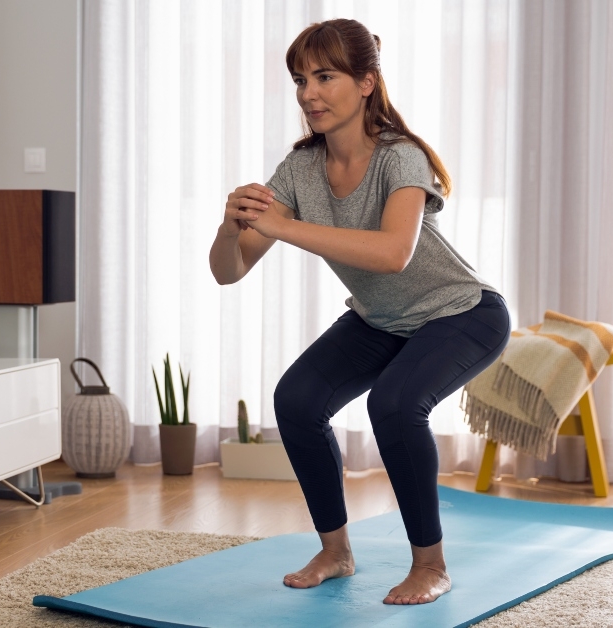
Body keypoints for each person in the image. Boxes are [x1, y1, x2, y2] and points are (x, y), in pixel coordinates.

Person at [208, 18, 510, 606]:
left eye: (325, 77)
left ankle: (430, 565)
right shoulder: (300, 169)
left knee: (394, 405)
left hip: (462, 313)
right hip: (383, 321)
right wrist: (229, 225)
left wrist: (284, 226)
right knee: (297, 400)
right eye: (300, 80)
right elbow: (229, 269)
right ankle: (335, 551)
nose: (309, 94)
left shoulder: (401, 157)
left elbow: (393, 254)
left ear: (367, 82)